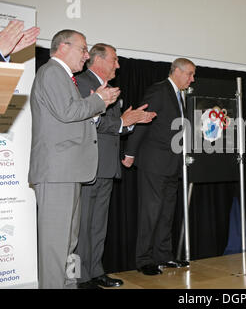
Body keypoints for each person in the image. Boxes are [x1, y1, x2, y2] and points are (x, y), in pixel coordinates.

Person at [28, 29, 119, 288]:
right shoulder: (53, 72)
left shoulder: (65, 77)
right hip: (57, 172)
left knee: (68, 242)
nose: (86, 55)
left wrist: (95, 107)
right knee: (56, 245)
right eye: (83, 49)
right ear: (63, 47)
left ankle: (68, 285)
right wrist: (99, 101)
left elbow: (68, 118)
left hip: (68, 171)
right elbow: (68, 111)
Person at [74, 43, 156, 288]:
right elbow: (86, 121)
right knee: (83, 225)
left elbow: (113, 127)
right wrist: (122, 122)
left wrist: (130, 122)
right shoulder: (81, 82)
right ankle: (80, 277)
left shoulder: (110, 89)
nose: (118, 65)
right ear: (98, 59)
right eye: (114, 60)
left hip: (107, 166)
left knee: (99, 225)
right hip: (88, 165)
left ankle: (96, 271)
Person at [122, 58, 195, 275]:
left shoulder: (180, 96)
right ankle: (144, 259)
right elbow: (143, 121)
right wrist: (130, 152)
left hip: (172, 164)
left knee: (166, 213)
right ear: (177, 71)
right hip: (154, 163)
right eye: (190, 74)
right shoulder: (159, 90)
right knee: (150, 212)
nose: (193, 79)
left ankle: (164, 256)